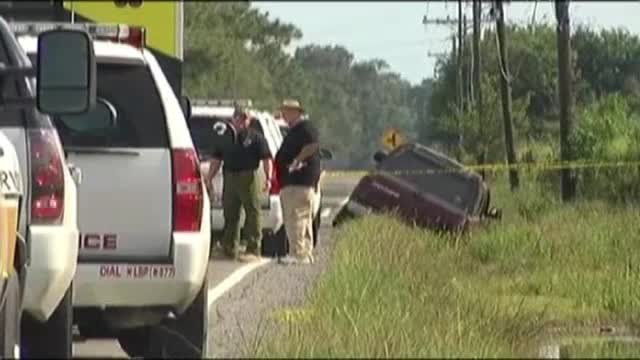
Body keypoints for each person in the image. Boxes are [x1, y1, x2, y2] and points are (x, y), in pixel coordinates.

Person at [205, 107, 272, 262]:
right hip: (230, 176)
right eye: (238, 118)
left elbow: (267, 158)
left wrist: (268, 178)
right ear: (233, 119)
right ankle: (229, 248)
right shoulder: (224, 137)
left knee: (252, 212)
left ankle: (253, 249)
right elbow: (216, 159)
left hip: (249, 176)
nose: (241, 121)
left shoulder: (255, 138)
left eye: (244, 118)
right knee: (230, 213)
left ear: (249, 121)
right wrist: (209, 177)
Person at [275, 99, 321, 265]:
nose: (284, 114)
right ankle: (304, 252)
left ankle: (298, 253)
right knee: (303, 217)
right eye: (284, 110)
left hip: (299, 180)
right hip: (296, 182)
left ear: (297, 112)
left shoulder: (305, 128)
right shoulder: (294, 130)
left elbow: (313, 145)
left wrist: (296, 161)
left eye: (288, 111)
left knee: (296, 217)